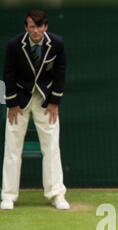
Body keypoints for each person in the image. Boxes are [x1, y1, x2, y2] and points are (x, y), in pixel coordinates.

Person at [1, 9, 69, 210]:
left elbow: (60, 72)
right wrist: (11, 103)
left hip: (46, 100)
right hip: (19, 99)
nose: (36, 31)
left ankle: (56, 193)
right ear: (26, 27)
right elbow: (8, 72)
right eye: (32, 27)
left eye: (39, 27)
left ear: (45, 27)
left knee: (51, 146)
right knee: (12, 147)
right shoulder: (14, 44)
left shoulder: (57, 43)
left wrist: (55, 101)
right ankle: (8, 195)